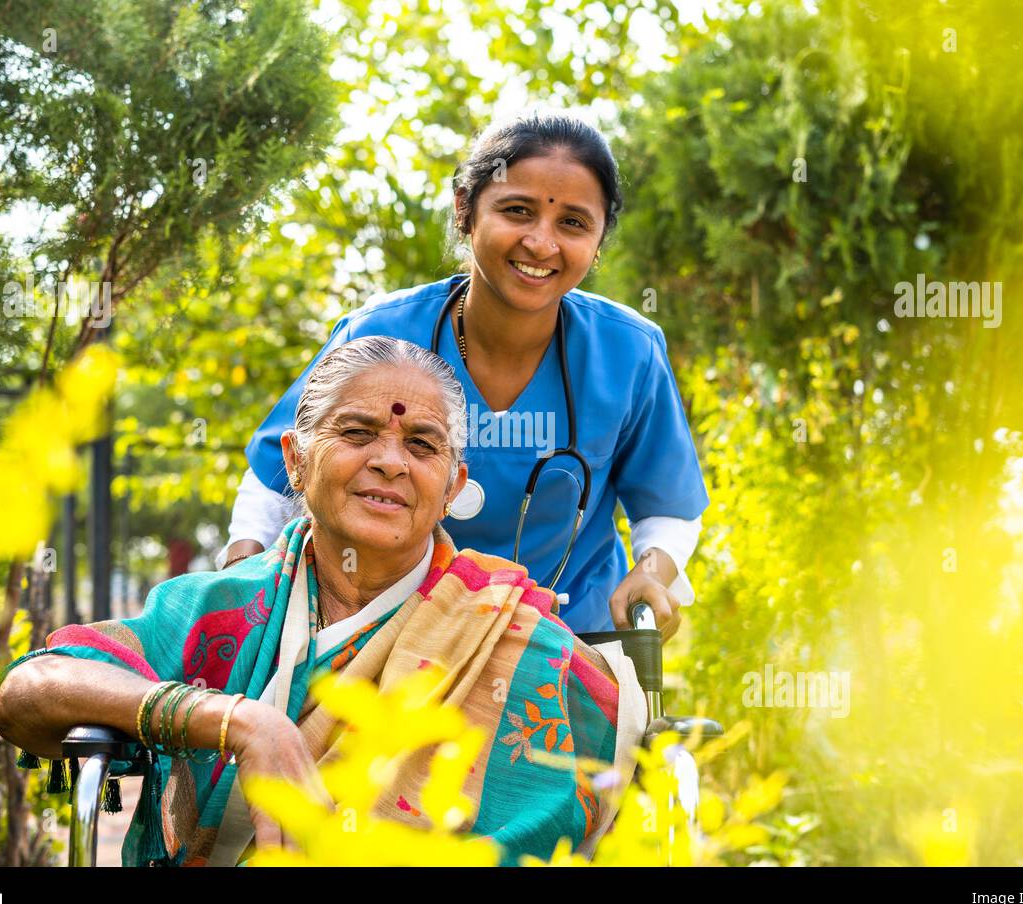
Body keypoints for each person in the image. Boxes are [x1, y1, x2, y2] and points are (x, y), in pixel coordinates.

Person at [0, 337, 647, 867]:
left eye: (421, 444)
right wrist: (239, 722)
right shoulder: (213, 611)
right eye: (357, 432)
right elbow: (27, 692)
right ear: (296, 461)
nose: (390, 461)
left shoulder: (517, 640)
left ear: (453, 485)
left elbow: (611, 768)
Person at [223, 109, 709, 638]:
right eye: (517, 211)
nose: (542, 244)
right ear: (465, 210)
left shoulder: (628, 352)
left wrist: (652, 572)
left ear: (596, 243)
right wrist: (243, 577)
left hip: (568, 647)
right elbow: (276, 474)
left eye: (572, 222)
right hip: (387, 643)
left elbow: (668, 507)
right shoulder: (380, 331)